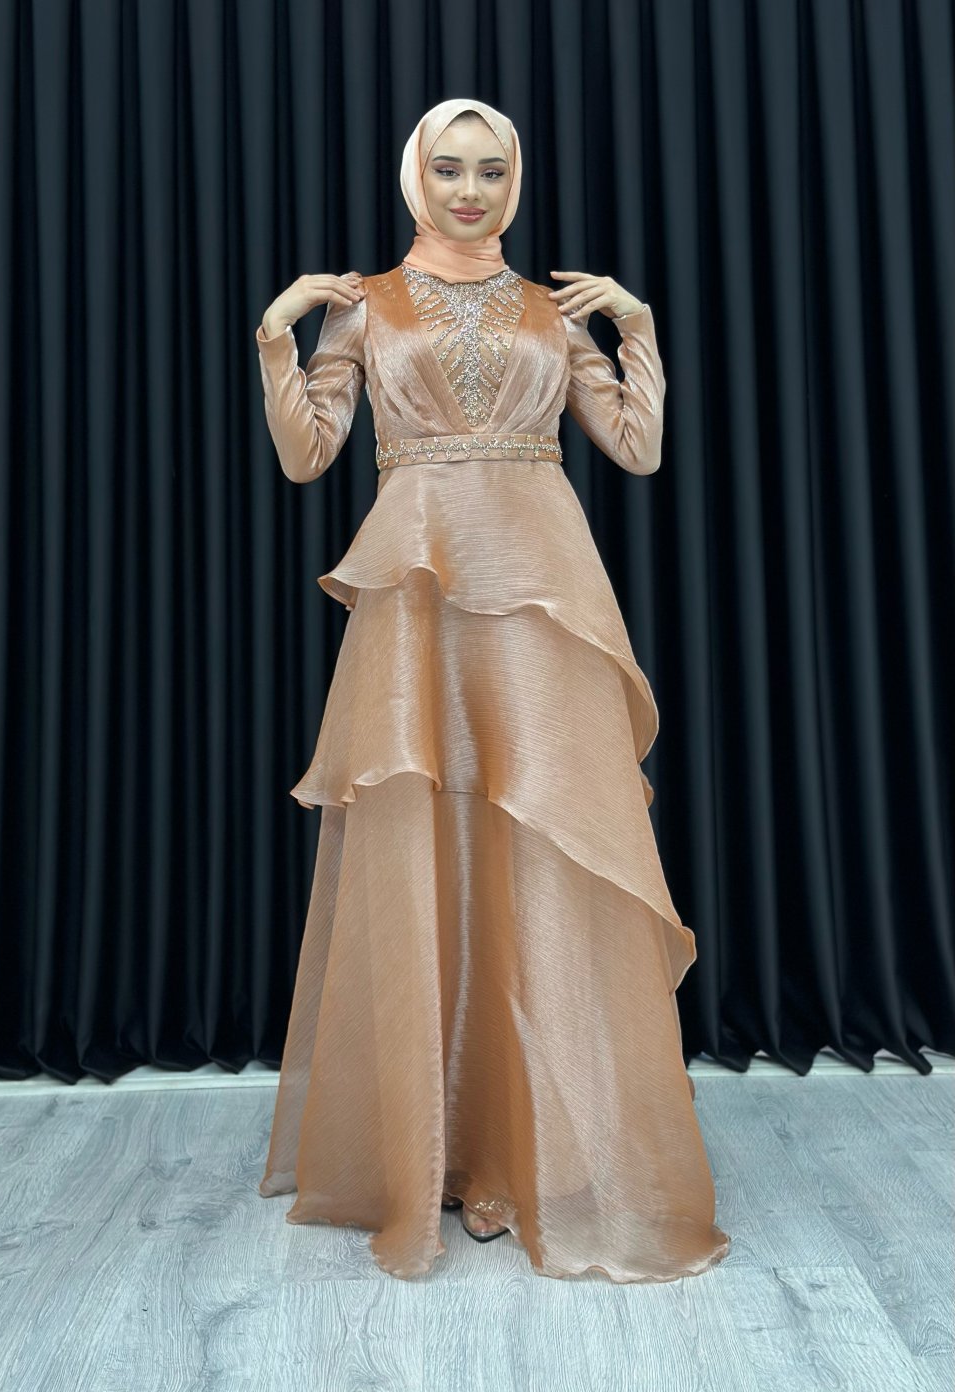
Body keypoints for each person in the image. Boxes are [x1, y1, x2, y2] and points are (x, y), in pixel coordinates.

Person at [254, 97, 731, 1283]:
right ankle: (440, 1146)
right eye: (448, 169)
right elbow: (309, 455)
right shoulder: (366, 304)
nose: (469, 191)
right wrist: (277, 338)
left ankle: (534, 1153)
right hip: (420, 590)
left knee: (542, 843)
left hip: (542, 593)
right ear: (414, 177)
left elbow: (636, 447)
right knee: (432, 840)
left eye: (491, 171)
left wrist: (636, 330)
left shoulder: (545, 310)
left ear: (514, 181)